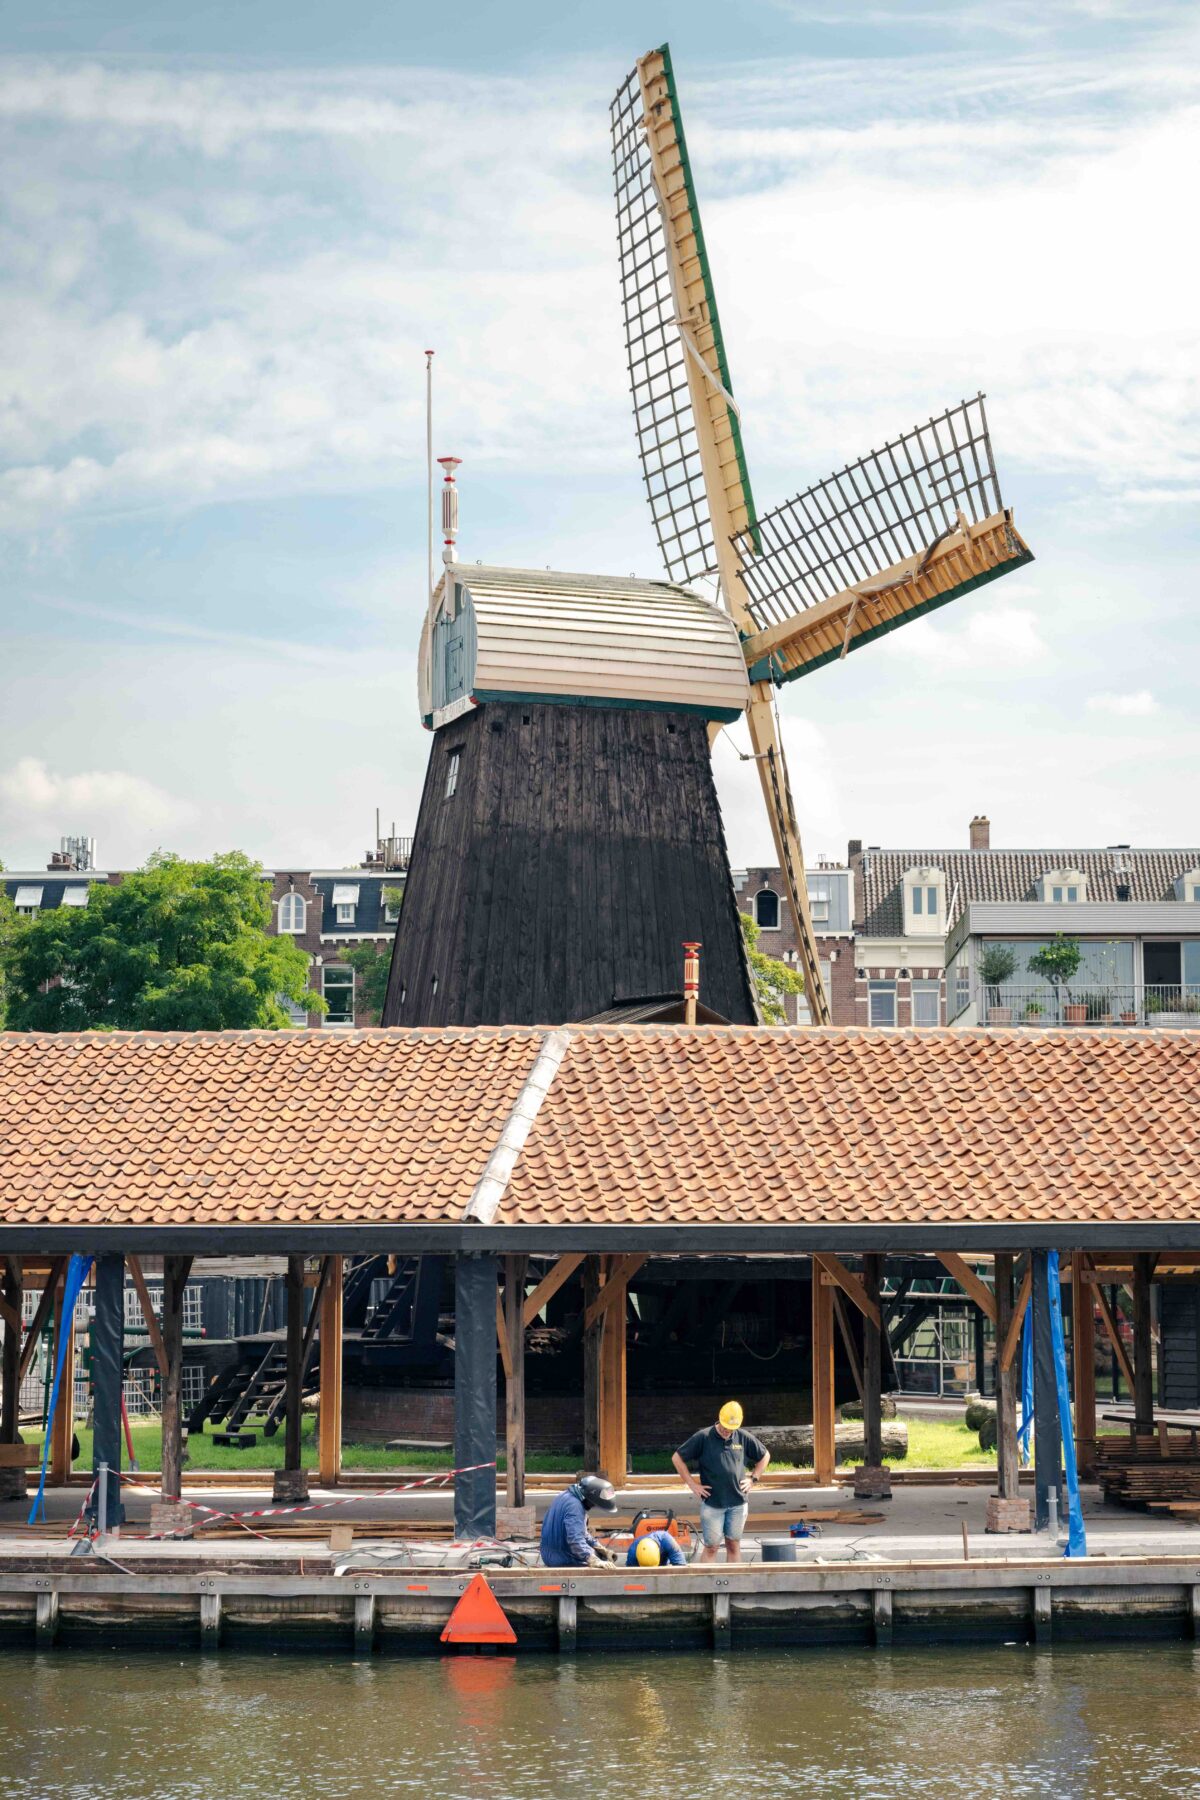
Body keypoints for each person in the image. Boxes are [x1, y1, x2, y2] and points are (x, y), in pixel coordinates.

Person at [672, 1401, 770, 1563]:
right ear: (719, 1420)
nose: (727, 1431)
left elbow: (765, 1455)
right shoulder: (703, 1437)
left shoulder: (742, 1437)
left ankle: (734, 1585)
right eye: (725, 1427)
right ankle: (707, 1586)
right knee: (711, 1547)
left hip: (738, 1503)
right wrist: (691, 1484)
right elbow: (677, 1458)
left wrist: (753, 1478)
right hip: (713, 1504)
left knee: (733, 1545)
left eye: (731, 1429)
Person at [539, 1475, 619, 1568]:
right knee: (599, 1560)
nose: (593, 1506)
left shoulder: (566, 1495)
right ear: (590, 1498)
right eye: (594, 1504)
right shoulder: (575, 1507)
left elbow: (581, 1533)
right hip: (560, 1557)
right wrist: (594, 1560)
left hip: (551, 1553)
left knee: (599, 1554)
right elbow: (575, 1540)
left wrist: (602, 1549)